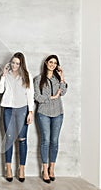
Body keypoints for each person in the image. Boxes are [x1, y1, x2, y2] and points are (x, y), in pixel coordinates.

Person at [0, 52, 34, 183]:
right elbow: (0, 91)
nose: (14, 65)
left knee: (22, 139)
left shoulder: (26, 76)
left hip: (22, 110)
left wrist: (30, 112)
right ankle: (8, 168)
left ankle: (22, 169)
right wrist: (3, 75)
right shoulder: (6, 75)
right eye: (13, 63)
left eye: (17, 63)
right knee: (8, 139)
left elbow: (30, 94)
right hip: (8, 109)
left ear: (21, 64)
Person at [34, 54, 68, 184]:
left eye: (55, 63)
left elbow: (63, 92)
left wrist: (62, 76)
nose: (52, 64)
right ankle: (45, 169)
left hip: (58, 113)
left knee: (54, 141)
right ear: (46, 63)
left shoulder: (58, 78)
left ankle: (52, 168)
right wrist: (51, 98)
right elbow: (37, 97)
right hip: (43, 113)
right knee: (45, 140)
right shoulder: (38, 79)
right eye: (51, 62)